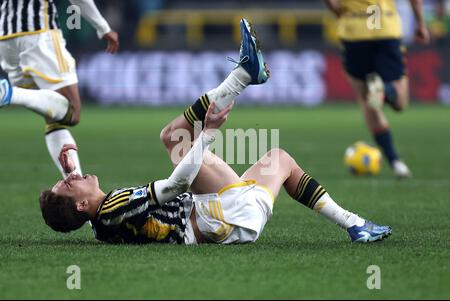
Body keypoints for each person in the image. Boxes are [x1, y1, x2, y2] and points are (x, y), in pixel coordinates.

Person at [39, 19, 392, 244]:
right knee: (273, 159)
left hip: (215, 211)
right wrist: (208, 132)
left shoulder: (99, 223)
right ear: (82, 203)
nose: (74, 176)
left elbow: (78, 211)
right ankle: (354, 223)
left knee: (175, 137)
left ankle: (244, 74)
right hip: (223, 218)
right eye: (70, 184)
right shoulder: (113, 207)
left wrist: (69, 174)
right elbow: (176, 185)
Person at [0, 0, 119, 178]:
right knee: (72, 110)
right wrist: (102, 27)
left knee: (53, 115)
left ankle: (75, 186)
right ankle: (8, 93)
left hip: (5, 38)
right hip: (38, 33)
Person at [323, 0, 430, 178]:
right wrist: (420, 23)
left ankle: (396, 162)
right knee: (400, 102)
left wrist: (336, 10)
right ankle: (385, 90)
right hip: (385, 28)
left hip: (354, 32)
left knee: (367, 102)